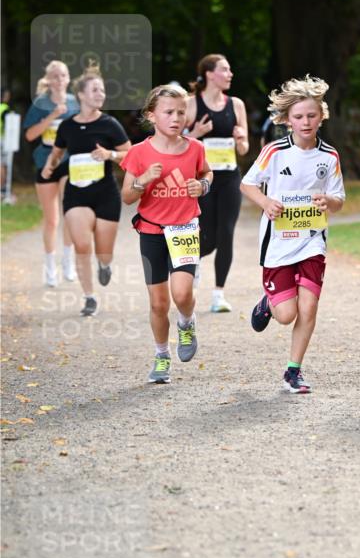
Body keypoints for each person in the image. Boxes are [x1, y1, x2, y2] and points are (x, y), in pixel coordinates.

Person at [240, 76, 345, 394]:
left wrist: (329, 202)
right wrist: (265, 202)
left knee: (308, 307)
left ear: (321, 116)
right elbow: (247, 184)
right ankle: (268, 303)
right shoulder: (274, 151)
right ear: (287, 120)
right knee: (286, 315)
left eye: (312, 115)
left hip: (312, 240)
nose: (306, 122)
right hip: (278, 244)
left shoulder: (329, 156)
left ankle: (293, 371)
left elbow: (339, 200)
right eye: (299, 116)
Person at [121, 84, 212, 384]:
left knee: (182, 294)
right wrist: (144, 179)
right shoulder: (138, 152)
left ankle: (186, 322)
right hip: (151, 232)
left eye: (181, 112)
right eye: (169, 112)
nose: (176, 118)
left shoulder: (195, 148)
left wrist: (203, 186)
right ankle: (162, 356)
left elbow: (207, 173)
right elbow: (127, 197)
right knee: (159, 304)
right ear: (152, 115)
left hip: (185, 228)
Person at [41, 64, 131, 316]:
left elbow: (131, 154)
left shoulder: (110, 124)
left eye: (102, 90)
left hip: (105, 194)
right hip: (76, 194)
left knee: (104, 251)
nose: (100, 94)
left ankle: (104, 264)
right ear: (81, 94)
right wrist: (49, 165)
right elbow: (57, 152)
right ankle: (89, 297)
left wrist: (110, 154)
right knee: (81, 245)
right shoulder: (67, 126)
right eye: (95, 90)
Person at [185, 54, 249, 313]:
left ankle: (218, 295)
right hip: (203, 179)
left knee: (226, 233)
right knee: (208, 237)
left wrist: (241, 139)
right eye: (225, 69)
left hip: (230, 178)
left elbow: (243, 149)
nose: (230, 74)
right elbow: (177, 144)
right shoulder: (191, 104)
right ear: (210, 74)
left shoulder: (236, 105)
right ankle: (190, 264)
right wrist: (196, 133)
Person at [23, 60, 79, 286]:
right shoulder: (40, 103)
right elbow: (30, 135)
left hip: (68, 162)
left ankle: (68, 262)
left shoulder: (75, 102)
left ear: (68, 78)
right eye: (55, 76)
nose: (59, 80)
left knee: (70, 214)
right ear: (48, 80)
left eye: (63, 75)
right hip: (45, 162)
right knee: (51, 220)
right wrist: (53, 115)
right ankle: (49, 268)